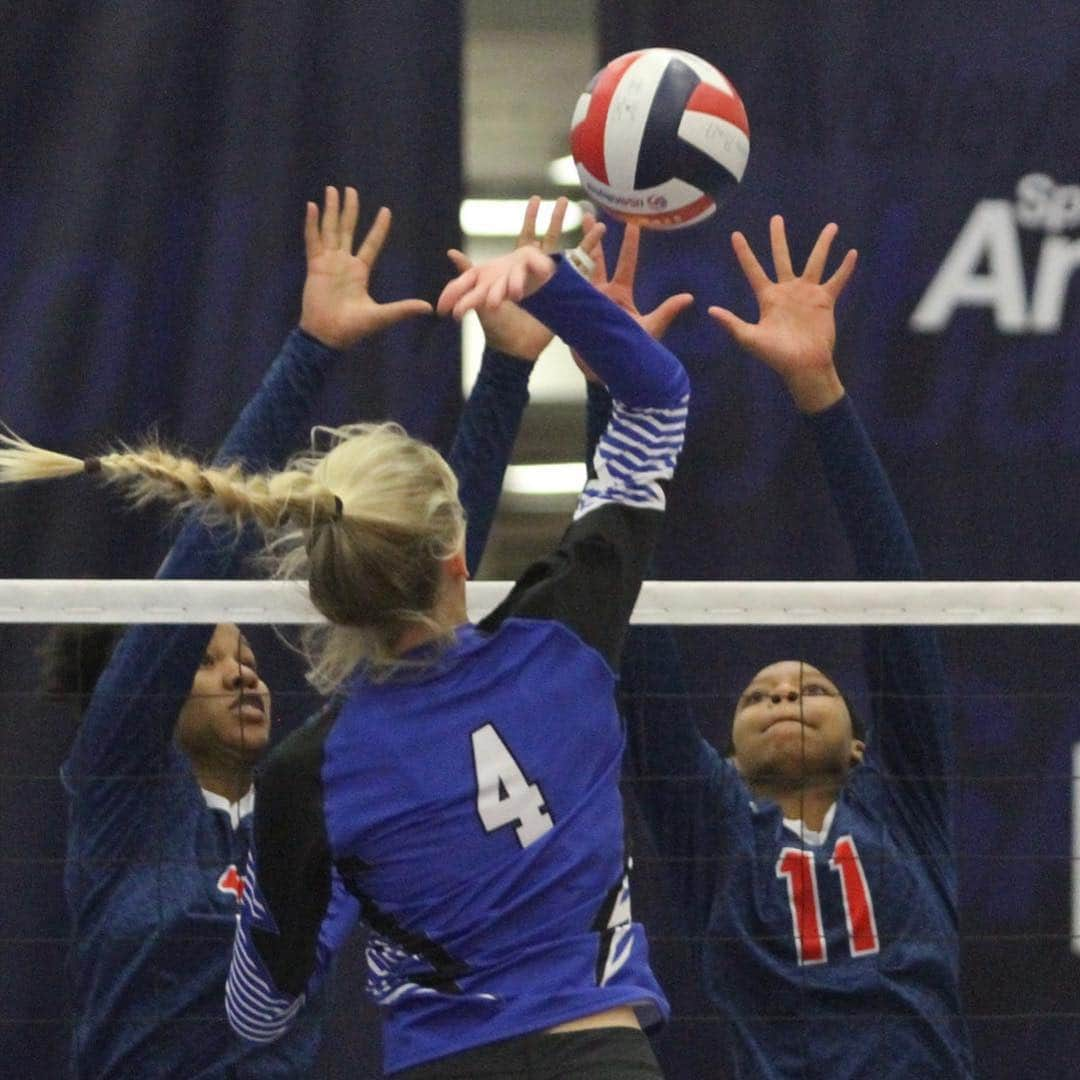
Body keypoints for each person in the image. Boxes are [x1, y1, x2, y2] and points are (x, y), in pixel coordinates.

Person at [8, 235, 691, 1077]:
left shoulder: (319, 786)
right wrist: (554, 296)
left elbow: (408, 560)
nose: (241, 670)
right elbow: (198, 605)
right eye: (206, 658)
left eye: (244, 652)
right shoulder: (136, 791)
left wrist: (509, 368)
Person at [614, 216, 975, 1078]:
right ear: (727, 756)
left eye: (808, 689)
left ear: (861, 742)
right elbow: (631, 621)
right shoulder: (712, 825)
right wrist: (615, 385)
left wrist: (822, 390)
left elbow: (898, 605)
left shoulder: (903, 805)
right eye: (756, 698)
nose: (779, 697)